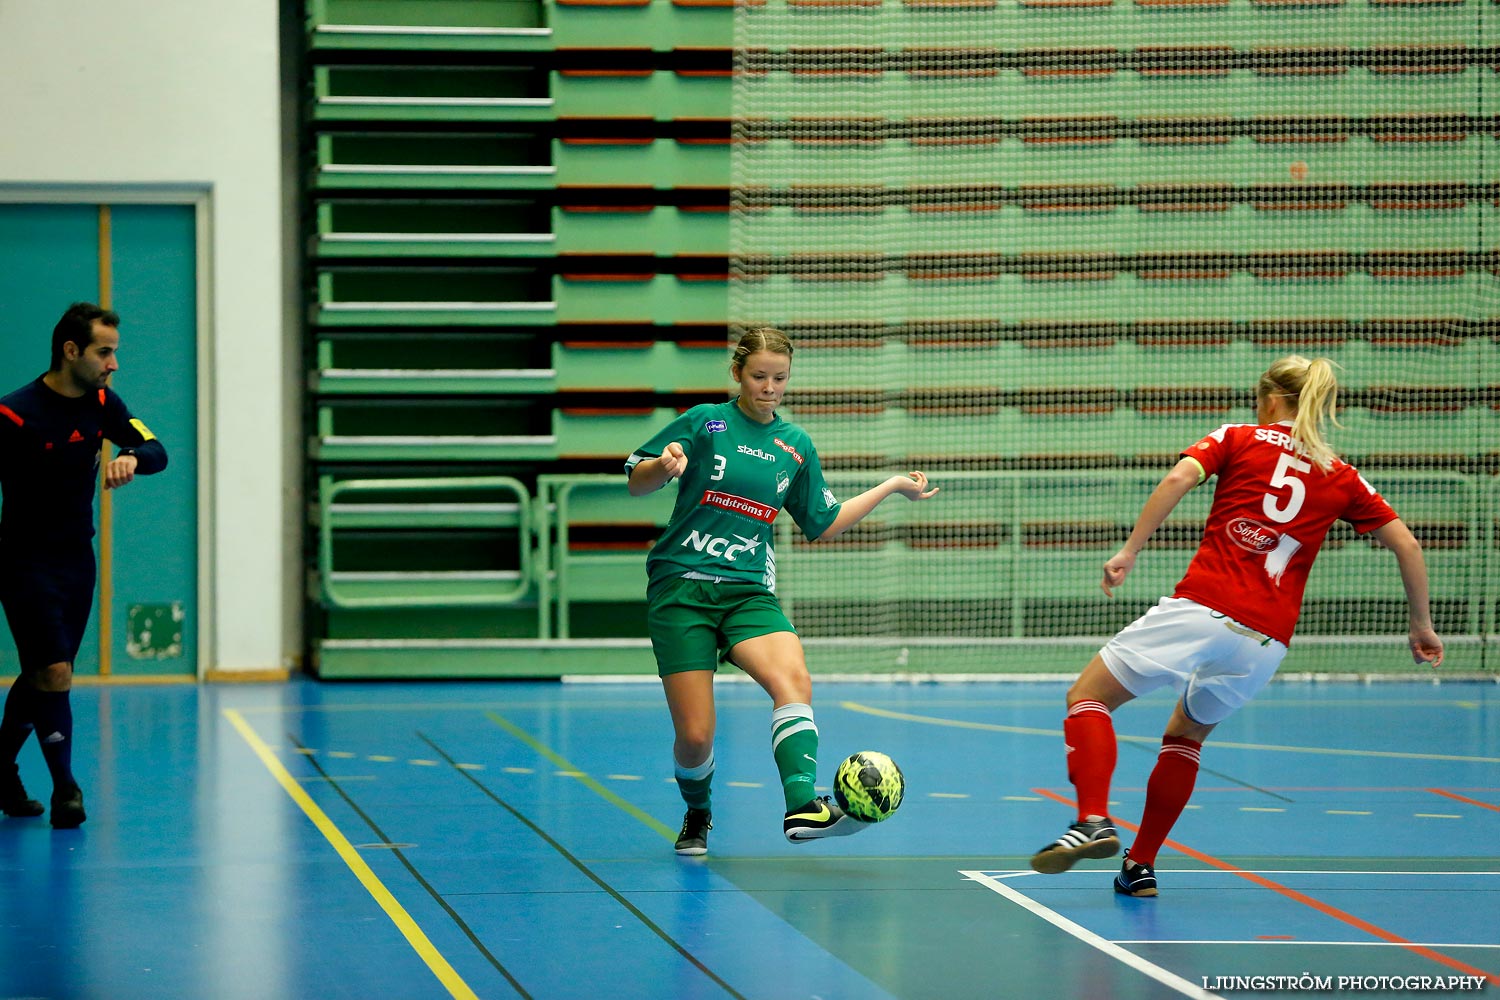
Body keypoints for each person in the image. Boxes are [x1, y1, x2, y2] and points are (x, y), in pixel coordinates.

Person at [1029, 355, 1444, 895]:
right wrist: (1421, 625)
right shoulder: (1341, 475)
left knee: (1087, 698)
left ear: (1271, 399)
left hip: (1203, 606)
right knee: (1186, 737)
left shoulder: (1239, 436)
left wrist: (1130, 550)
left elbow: (1180, 476)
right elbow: (1408, 545)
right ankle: (1140, 867)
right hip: (1265, 641)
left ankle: (1091, 820)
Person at [625, 326, 938, 856]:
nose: (769, 387)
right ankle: (698, 811)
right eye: (758, 376)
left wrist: (890, 487)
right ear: (738, 374)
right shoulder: (706, 423)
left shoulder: (794, 445)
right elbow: (636, 479)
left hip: (748, 593)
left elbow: (824, 521)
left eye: (779, 378)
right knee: (696, 737)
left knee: (793, 678)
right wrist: (664, 465)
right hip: (682, 589)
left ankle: (801, 805)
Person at [0, 302, 168, 828]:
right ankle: (66, 790)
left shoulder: (102, 403)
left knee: (42, 674)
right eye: (104, 352)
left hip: (77, 559)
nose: (113, 363)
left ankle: (1, 767)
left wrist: (132, 458)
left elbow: (157, 448)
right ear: (71, 351)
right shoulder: (12, 414)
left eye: (113, 352)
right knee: (54, 672)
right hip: (23, 561)